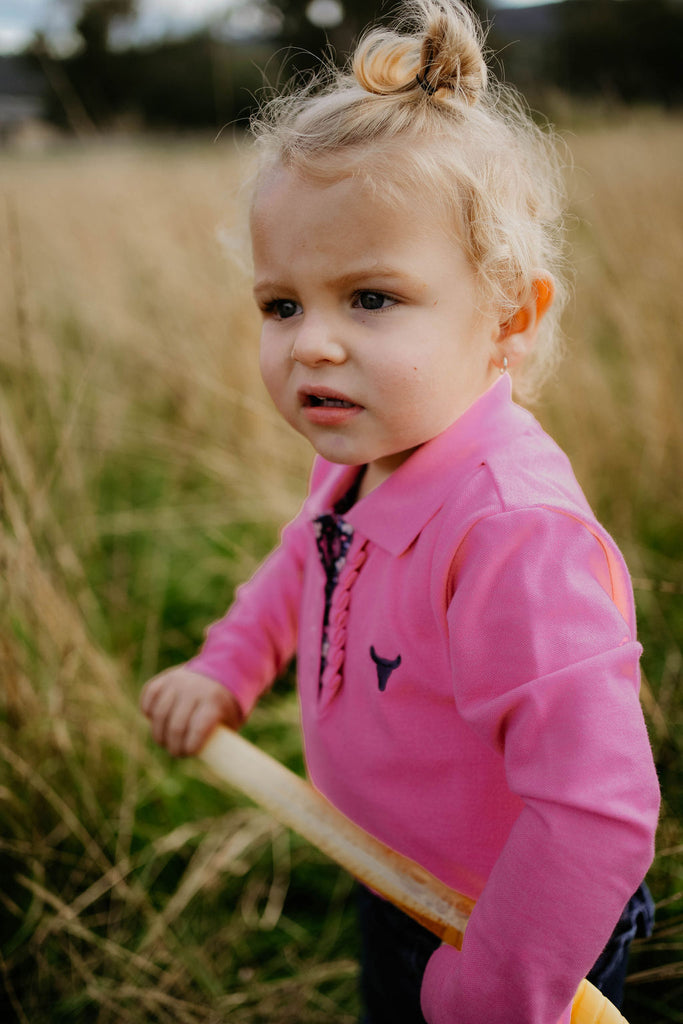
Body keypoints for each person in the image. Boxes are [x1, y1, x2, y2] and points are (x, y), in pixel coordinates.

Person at [140, 2, 660, 1021]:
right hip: (395, 876)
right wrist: (227, 663)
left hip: (520, 930)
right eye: (281, 304)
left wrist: (498, 985)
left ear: (507, 317)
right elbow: (304, 562)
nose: (311, 345)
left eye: (370, 298)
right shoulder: (358, 462)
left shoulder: (509, 532)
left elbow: (594, 813)